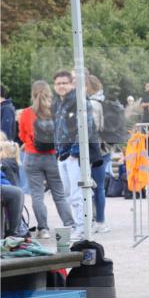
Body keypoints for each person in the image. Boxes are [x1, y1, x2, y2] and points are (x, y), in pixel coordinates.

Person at [18, 81, 75, 239]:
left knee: (37, 195)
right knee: (59, 194)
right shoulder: (56, 111)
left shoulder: (26, 113)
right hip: (51, 157)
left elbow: (21, 135)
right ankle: (69, 224)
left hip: (31, 157)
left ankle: (43, 229)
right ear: (49, 92)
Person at [53, 70, 98, 238]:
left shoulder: (80, 101)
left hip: (75, 155)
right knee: (68, 192)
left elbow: (86, 127)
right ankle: (81, 224)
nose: (61, 86)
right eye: (58, 83)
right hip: (62, 153)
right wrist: (58, 151)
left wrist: (75, 152)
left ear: (71, 83)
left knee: (77, 193)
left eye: (64, 83)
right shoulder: (58, 103)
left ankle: (82, 226)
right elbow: (57, 128)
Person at [85, 75, 110, 233]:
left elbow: (92, 128)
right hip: (104, 148)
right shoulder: (103, 101)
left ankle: (99, 220)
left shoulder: (93, 104)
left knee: (96, 187)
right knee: (98, 186)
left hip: (95, 149)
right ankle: (98, 219)